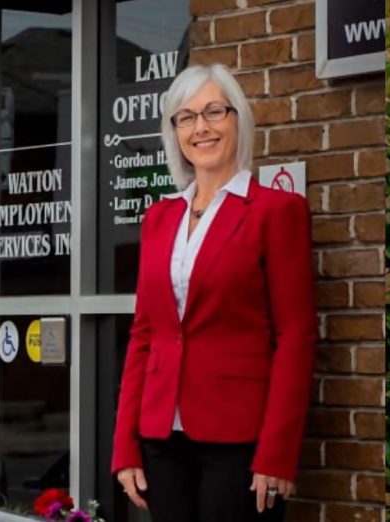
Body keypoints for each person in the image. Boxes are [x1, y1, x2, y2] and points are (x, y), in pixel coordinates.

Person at [111, 63, 317, 522]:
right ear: (175, 132)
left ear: (237, 120)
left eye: (213, 112)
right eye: (186, 117)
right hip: (163, 437)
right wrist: (125, 445)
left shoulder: (275, 212)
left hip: (240, 440)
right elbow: (145, 334)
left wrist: (277, 454)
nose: (200, 127)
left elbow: (296, 337)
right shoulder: (159, 218)